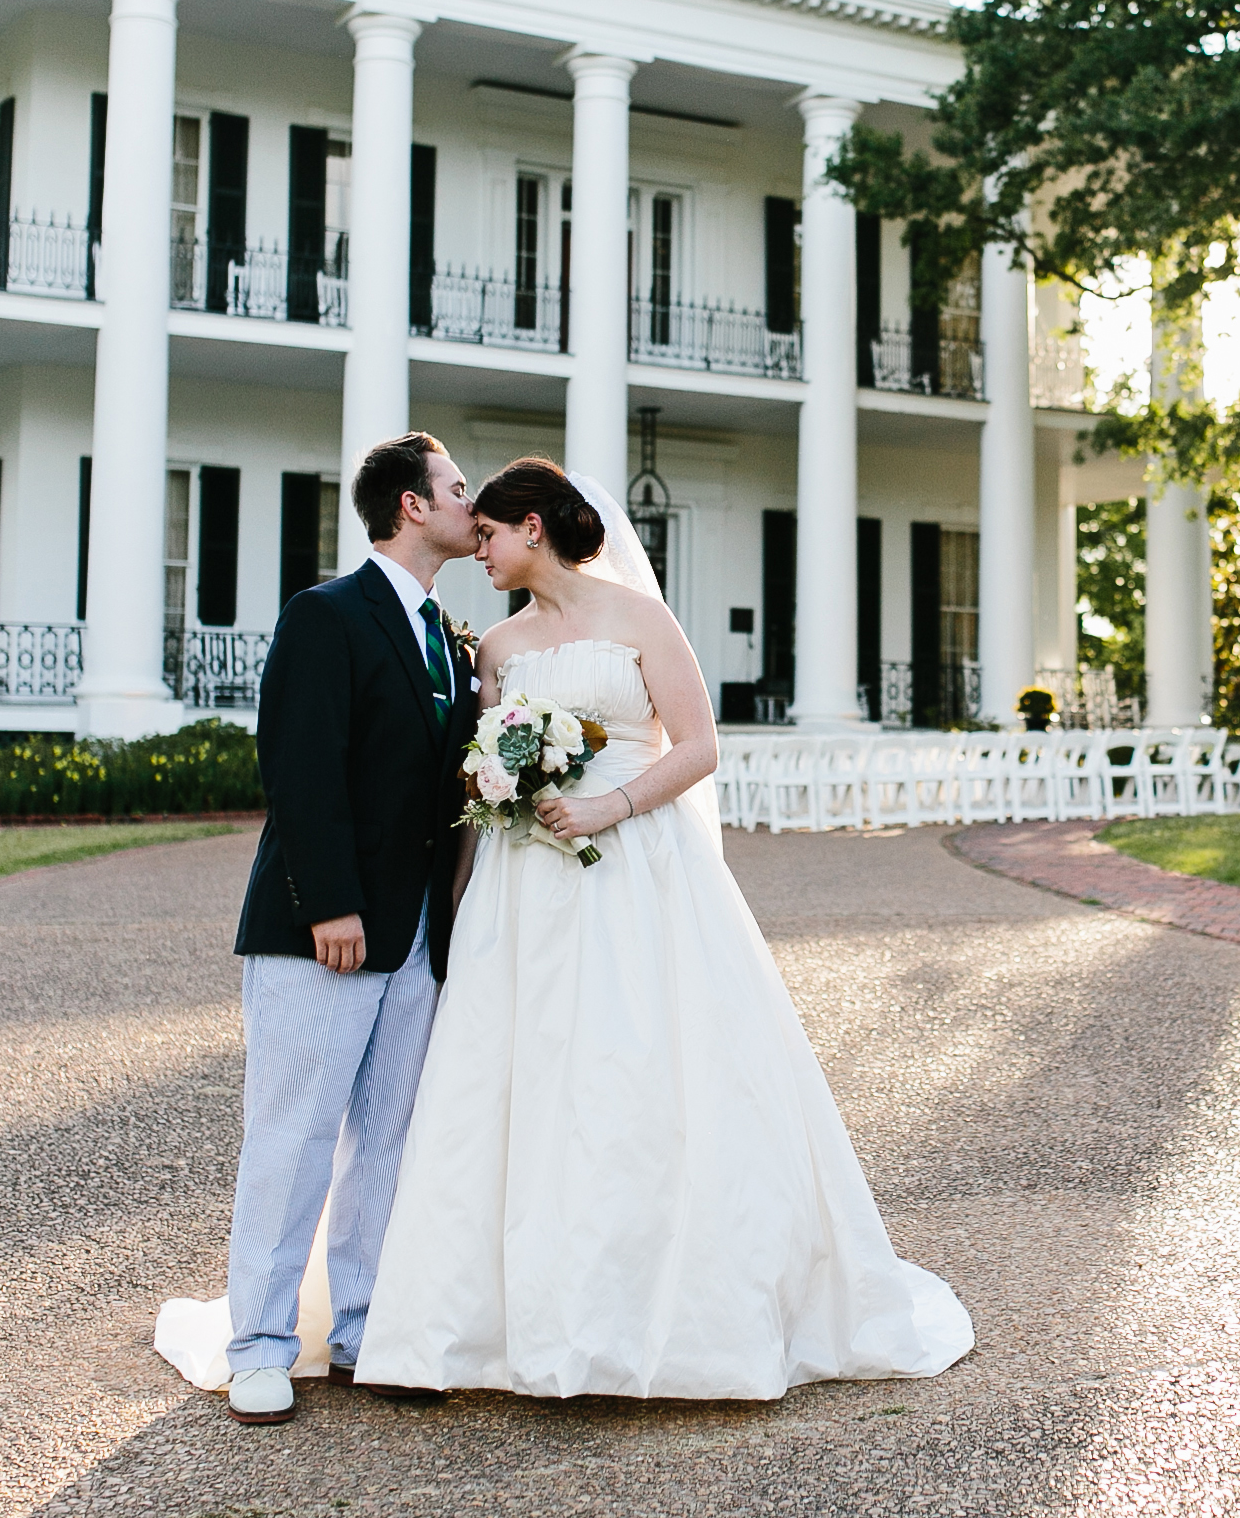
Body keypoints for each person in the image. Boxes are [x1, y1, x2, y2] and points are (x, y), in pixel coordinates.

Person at [351, 458, 973, 1399]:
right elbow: (483, 777)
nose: (478, 550)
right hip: (525, 889)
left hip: (639, 871)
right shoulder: (498, 650)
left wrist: (613, 808)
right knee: (516, 1083)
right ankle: (486, 1320)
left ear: (531, 527)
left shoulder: (642, 619)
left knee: (637, 1075)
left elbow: (699, 745)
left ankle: (650, 1316)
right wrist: (463, 897)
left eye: (487, 535)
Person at [153, 432, 484, 1424]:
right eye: (460, 489)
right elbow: (299, 767)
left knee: (389, 1144)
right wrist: (329, 902)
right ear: (412, 507)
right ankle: (258, 1342)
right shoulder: (326, 616)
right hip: (322, 932)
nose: (476, 505)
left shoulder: (448, 638)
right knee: (291, 1139)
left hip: (418, 941)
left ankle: (365, 1329)